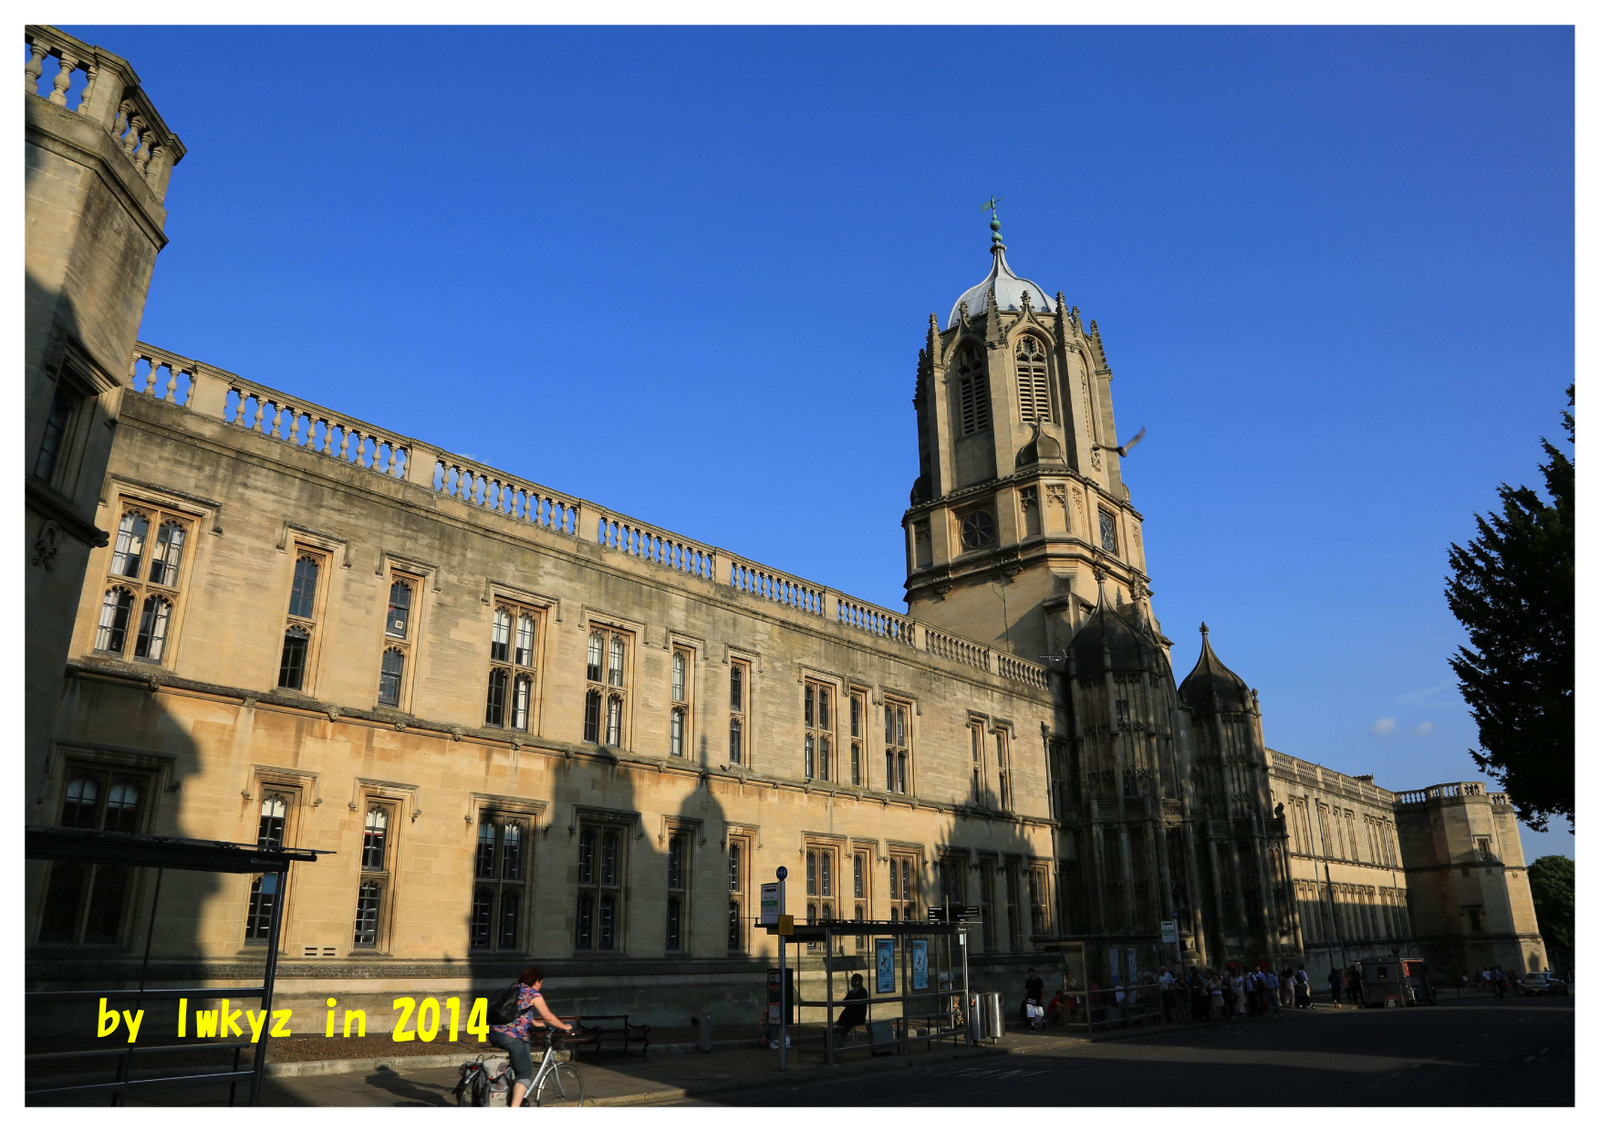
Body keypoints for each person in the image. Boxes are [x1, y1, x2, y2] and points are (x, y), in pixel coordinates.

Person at [489, 967, 574, 1109]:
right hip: (513, 1037)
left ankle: (509, 1090)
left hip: (495, 1033)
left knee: (517, 1064)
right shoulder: (533, 995)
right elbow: (549, 1017)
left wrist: (534, 1022)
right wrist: (565, 1027)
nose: (541, 985)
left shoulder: (514, 988)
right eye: (541, 982)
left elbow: (516, 1010)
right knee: (525, 1072)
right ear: (535, 982)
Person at [833, 973, 870, 1040]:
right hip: (855, 1017)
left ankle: (838, 1043)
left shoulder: (855, 992)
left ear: (856, 982)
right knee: (840, 1029)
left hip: (852, 1018)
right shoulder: (862, 991)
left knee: (839, 1030)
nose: (851, 983)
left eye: (852, 981)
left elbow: (845, 1002)